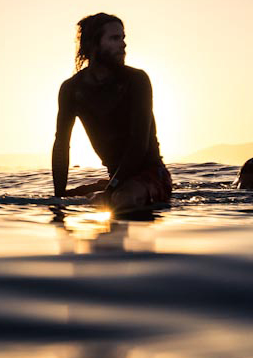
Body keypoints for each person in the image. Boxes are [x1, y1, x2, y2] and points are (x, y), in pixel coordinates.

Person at [52, 13, 172, 212]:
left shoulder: (136, 80)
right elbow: (61, 145)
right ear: (92, 44)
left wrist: (111, 190)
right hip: (116, 179)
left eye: (123, 38)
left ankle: (113, 193)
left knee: (121, 201)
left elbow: (138, 144)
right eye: (115, 38)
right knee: (67, 200)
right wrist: (58, 200)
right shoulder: (72, 89)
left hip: (151, 175)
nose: (123, 45)